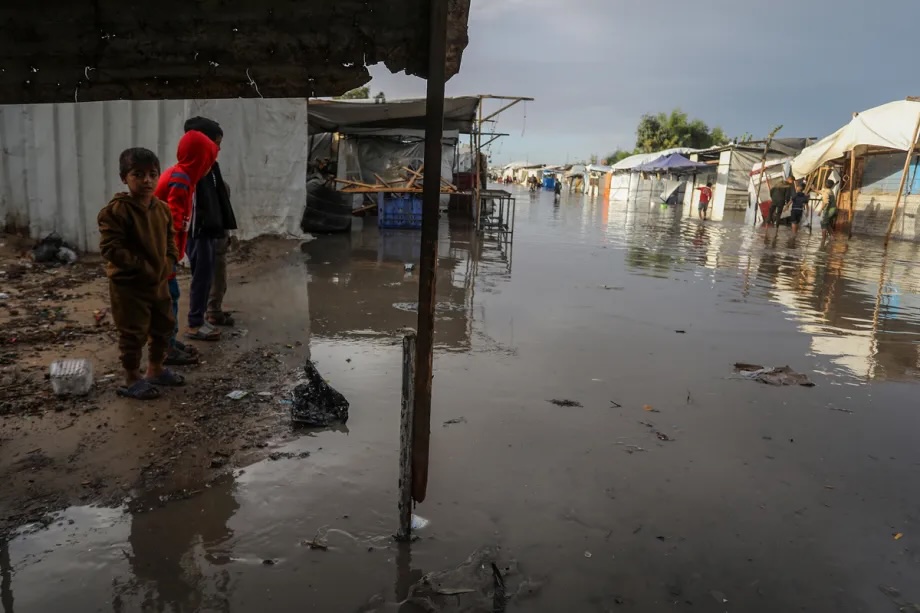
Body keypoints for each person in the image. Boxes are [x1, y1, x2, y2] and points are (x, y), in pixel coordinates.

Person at [97, 148, 185, 400]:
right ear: (124, 178)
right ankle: (132, 378)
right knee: (133, 332)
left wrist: (169, 262)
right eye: (138, 174)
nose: (146, 180)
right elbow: (111, 248)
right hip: (129, 286)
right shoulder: (115, 211)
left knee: (163, 326)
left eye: (152, 174)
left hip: (158, 282)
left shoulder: (162, 209)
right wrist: (142, 267)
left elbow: (170, 240)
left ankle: (155, 369)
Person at [155, 130, 220, 357]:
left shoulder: (184, 177)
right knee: (169, 297)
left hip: (166, 251)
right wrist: (170, 256)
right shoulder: (181, 180)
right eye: (209, 160)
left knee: (169, 297)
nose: (211, 165)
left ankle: (170, 341)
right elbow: (170, 224)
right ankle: (167, 348)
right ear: (199, 159)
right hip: (163, 253)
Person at [182, 117, 238, 329]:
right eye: (216, 144)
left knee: (211, 272)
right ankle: (203, 317)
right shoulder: (192, 175)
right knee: (205, 275)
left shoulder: (211, 170)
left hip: (212, 234)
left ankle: (209, 312)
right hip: (203, 235)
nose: (219, 149)